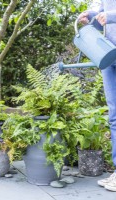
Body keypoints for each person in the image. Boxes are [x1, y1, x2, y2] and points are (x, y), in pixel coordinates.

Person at [78, 0, 116, 192]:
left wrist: (110, 17)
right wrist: (90, 14)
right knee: (114, 116)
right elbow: (101, 9)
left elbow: (109, 14)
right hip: (108, 52)